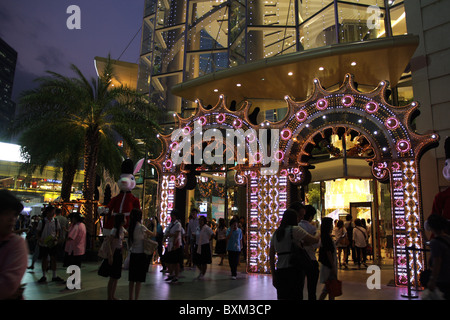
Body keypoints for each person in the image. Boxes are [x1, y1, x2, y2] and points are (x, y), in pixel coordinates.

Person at [269, 209, 319, 300]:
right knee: (296, 295)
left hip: (280, 270)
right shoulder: (295, 230)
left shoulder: (276, 233)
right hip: (294, 269)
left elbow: (271, 255)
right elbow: (314, 240)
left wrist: (273, 275)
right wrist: (318, 231)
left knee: (282, 296)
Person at [0, 190, 28, 300]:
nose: (12, 219)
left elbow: (7, 285)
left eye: (14, 214)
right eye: (6, 213)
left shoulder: (15, 243)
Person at [127, 208, 156, 299]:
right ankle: (136, 298)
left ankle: (130, 297)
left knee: (132, 279)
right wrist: (155, 225)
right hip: (140, 255)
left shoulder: (131, 228)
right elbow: (153, 234)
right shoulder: (141, 227)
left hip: (133, 254)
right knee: (138, 279)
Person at [98, 213, 126, 300]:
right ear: (121, 220)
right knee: (112, 276)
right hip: (114, 253)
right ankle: (109, 296)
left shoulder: (121, 229)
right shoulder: (114, 230)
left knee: (116, 276)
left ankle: (112, 296)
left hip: (119, 253)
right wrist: (110, 255)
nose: (126, 219)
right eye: (124, 218)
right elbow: (109, 243)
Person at [36, 205, 64, 283]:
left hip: (52, 243)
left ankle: (54, 275)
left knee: (53, 258)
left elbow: (57, 230)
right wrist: (39, 239)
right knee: (44, 259)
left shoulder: (55, 221)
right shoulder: (42, 222)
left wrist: (56, 237)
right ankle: (44, 275)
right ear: (47, 212)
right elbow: (38, 232)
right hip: (44, 243)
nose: (53, 213)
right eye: (52, 212)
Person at [425, 214, 450, 299]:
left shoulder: (435, 242)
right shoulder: (447, 238)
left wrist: (432, 279)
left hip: (441, 278)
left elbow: (437, 262)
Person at [299, 205, 320, 300]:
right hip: (311, 259)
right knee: (312, 290)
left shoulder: (297, 226)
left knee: (298, 289)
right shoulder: (312, 229)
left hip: (299, 260)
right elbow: (316, 244)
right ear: (311, 216)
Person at [318, 217, 338, 300]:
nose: (332, 227)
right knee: (329, 287)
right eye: (331, 225)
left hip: (327, 264)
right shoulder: (326, 237)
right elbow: (328, 252)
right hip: (329, 265)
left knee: (329, 287)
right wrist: (332, 265)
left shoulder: (324, 236)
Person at [163, 209, 183, 283]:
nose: (172, 217)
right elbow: (167, 232)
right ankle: (172, 274)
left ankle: (176, 276)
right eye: (171, 215)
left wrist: (169, 235)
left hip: (176, 245)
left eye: (173, 215)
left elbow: (176, 235)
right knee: (170, 261)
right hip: (170, 245)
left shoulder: (178, 224)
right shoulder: (171, 224)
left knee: (176, 262)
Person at [194, 215, 214, 280]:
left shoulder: (207, 228)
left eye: (202, 220)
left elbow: (212, 234)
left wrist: (209, 239)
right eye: (200, 220)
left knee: (204, 261)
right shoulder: (197, 228)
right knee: (197, 261)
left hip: (204, 245)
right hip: (198, 245)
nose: (200, 221)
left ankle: (202, 273)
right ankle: (201, 271)